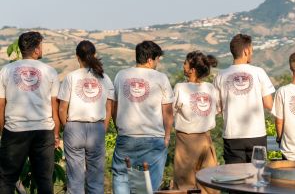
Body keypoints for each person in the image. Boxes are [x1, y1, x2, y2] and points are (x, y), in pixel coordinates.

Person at [0, 31, 60, 194]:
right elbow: (54, 106)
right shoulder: (50, 71)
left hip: (14, 131)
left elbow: (1, 105)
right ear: (35, 49)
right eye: (41, 46)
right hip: (43, 131)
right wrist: (56, 134)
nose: (42, 49)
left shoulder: (6, 71)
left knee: (7, 179)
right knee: (44, 180)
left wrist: (2, 132)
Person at [112, 40, 174, 193]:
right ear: (149, 60)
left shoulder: (121, 76)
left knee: (121, 177)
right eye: (157, 59)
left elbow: (114, 107)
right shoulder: (161, 78)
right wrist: (166, 136)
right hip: (153, 139)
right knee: (149, 187)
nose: (157, 63)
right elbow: (167, 111)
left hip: (126, 137)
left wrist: (119, 128)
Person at [58, 40, 114, 194]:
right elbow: (109, 108)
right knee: (95, 180)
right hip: (97, 128)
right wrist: (104, 126)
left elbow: (62, 109)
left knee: (75, 181)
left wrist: (67, 126)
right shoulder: (105, 78)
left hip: (74, 127)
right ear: (94, 55)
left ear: (77, 57)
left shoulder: (71, 77)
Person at [213, 34, 275, 164]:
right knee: (257, 175)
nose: (251, 53)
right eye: (251, 50)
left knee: (234, 179)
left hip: (232, 136)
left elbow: (217, 109)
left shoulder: (220, 76)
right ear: (246, 51)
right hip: (257, 135)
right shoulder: (259, 72)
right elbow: (269, 104)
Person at [173, 51, 219, 194]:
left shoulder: (180, 87)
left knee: (184, 184)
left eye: (185, 63)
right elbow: (216, 110)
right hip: (206, 139)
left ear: (192, 70)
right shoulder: (210, 88)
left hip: (186, 140)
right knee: (208, 183)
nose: (183, 65)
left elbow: (171, 112)